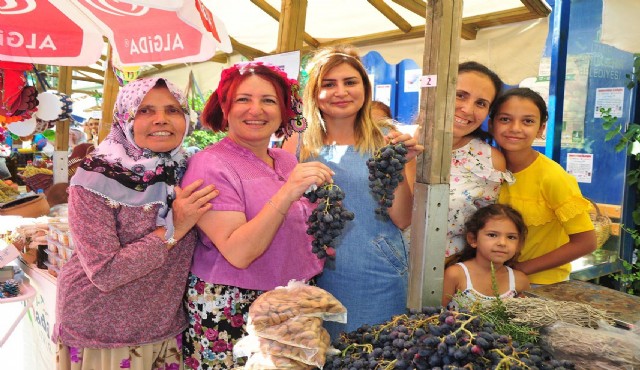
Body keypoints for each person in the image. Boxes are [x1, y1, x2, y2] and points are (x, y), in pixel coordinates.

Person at [53, 77, 218, 370]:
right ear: (124, 117)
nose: (160, 120)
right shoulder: (94, 179)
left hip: (165, 326)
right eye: (144, 111)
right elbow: (105, 272)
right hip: (103, 331)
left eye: (172, 110)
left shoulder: (189, 169)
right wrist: (174, 228)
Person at [180, 62, 332, 369]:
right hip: (236, 309)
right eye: (243, 99)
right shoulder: (210, 165)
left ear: (284, 111)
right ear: (225, 108)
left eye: (268, 100)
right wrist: (288, 192)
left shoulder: (286, 160)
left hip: (294, 304)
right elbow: (239, 252)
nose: (256, 110)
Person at [282, 45, 423, 339]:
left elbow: (403, 218)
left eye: (350, 82)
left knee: (372, 354)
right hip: (310, 276)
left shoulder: (388, 139)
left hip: (376, 274)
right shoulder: (296, 144)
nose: (341, 92)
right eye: (329, 84)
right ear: (314, 93)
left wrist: (394, 168)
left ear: (364, 87)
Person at [490, 87, 597, 285]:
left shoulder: (553, 177)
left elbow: (586, 242)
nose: (515, 128)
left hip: (541, 286)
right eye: (505, 119)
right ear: (491, 124)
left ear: (540, 129)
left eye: (528, 121)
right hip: (489, 280)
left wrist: (519, 270)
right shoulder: (483, 167)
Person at [443, 61, 513, 258]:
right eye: (460, 95)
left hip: (448, 273)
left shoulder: (490, 161)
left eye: (481, 103)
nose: (467, 109)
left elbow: (486, 228)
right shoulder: (398, 142)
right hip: (377, 271)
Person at [442, 204, 530, 309]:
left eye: (511, 237)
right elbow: (434, 315)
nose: (502, 243)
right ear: (473, 239)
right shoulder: (456, 274)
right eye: (492, 235)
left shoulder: (519, 280)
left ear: (519, 244)